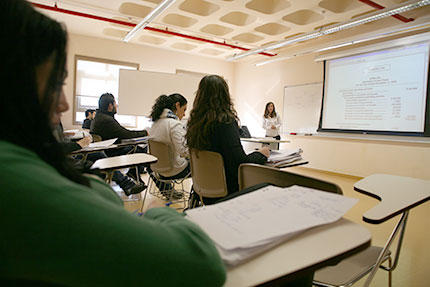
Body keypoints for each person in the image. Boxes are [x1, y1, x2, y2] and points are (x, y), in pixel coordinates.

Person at [0, 1, 226, 286]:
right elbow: (201, 264)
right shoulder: (14, 183)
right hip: (173, 184)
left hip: (158, 172)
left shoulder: (152, 124)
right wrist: (157, 212)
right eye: (56, 83)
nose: (64, 103)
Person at [186, 75, 270, 203]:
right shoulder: (225, 122)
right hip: (227, 192)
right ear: (225, 95)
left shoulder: (194, 123)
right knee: (268, 185)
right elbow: (240, 163)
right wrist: (261, 154)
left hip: (202, 192)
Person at [90, 92, 149, 182]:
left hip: (106, 150)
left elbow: (121, 133)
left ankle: (134, 172)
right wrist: (144, 133)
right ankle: (134, 172)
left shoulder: (100, 117)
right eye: (115, 103)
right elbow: (125, 134)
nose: (117, 106)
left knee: (139, 146)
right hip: (111, 151)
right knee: (141, 147)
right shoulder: (107, 120)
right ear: (110, 106)